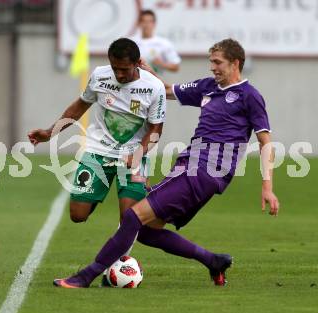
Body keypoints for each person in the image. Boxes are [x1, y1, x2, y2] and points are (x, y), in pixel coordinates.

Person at [52, 38, 280, 289]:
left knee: (133, 216)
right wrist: (148, 72)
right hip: (190, 167)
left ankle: (86, 276)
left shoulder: (250, 96)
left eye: (218, 62)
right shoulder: (208, 87)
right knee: (148, 231)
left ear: (235, 63)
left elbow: (265, 141)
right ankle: (213, 260)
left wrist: (267, 186)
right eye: (211, 62)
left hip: (202, 170)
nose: (212, 67)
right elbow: (168, 90)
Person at [28, 38, 166, 255]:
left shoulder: (154, 87)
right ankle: (101, 194)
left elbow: (156, 129)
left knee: (129, 218)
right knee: (77, 215)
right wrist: (49, 132)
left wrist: (139, 153)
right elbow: (79, 106)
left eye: (124, 69)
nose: (119, 74)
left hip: (133, 156)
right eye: (115, 68)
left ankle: (118, 264)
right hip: (97, 152)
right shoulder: (100, 76)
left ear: (138, 63)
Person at [132, 9, 181, 74]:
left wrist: (162, 64)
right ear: (139, 23)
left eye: (150, 21)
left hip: (157, 82)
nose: (147, 25)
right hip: (137, 82)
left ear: (154, 24)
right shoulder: (132, 42)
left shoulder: (164, 43)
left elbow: (176, 67)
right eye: (144, 21)